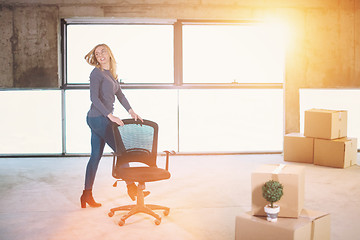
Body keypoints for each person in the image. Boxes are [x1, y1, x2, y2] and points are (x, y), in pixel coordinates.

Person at [80, 43, 146, 208]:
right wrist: (111, 116)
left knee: (95, 156)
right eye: (97, 53)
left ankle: (86, 195)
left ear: (109, 53)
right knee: (121, 151)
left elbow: (120, 94)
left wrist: (131, 111)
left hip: (99, 119)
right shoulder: (96, 73)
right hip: (98, 118)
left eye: (103, 51)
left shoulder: (111, 74)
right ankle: (131, 188)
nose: (100, 55)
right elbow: (94, 98)